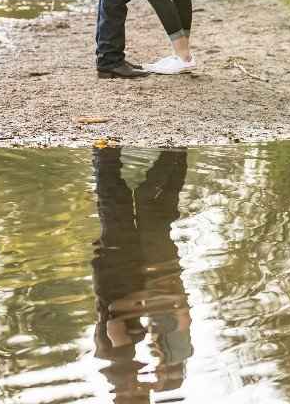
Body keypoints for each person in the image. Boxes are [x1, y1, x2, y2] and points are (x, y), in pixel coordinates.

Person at [91, 146, 192, 401]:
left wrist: (147, 299)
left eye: (138, 395)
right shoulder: (130, 357)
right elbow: (178, 316)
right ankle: (172, 150)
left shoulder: (117, 356)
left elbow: (115, 309)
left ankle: (105, 144)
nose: (143, 389)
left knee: (114, 200)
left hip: (115, 269)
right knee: (124, 201)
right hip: (127, 267)